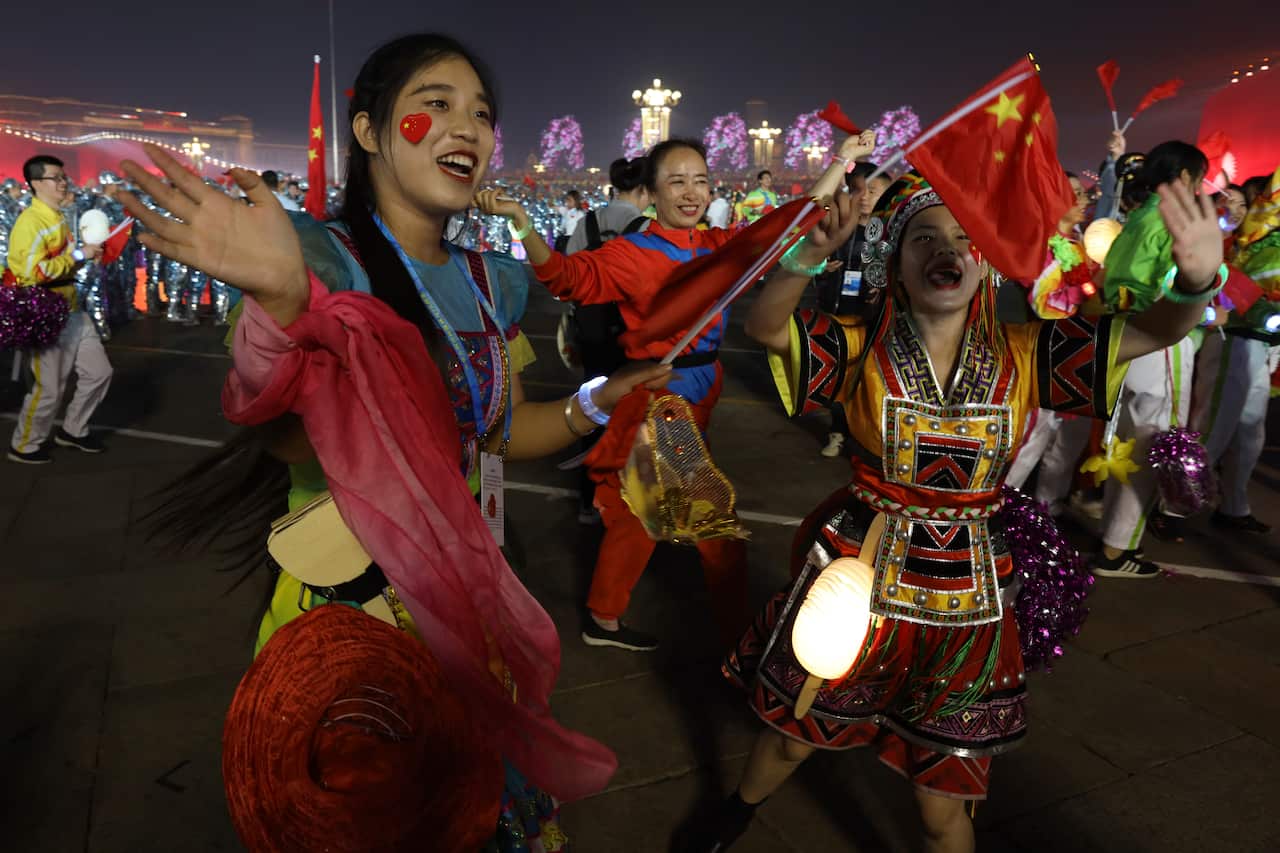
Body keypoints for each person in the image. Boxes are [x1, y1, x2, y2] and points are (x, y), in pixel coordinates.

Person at [122, 34, 670, 849]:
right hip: (359, 619)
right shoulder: (314, 259)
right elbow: (279, 438)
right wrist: (280, 305)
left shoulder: (494, 279)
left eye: (482, 115)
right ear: (371, 131)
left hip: (474, 613)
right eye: (437, 105)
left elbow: (501, 431)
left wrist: (599, 397)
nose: (469, 129)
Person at [679, 166, 1224, 852]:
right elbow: (765, 325)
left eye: (966, 239)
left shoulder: (1030, 353)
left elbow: (1153, 333)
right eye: (925, 238)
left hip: (969, 599)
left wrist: (1199, 282)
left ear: (987, 266)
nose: (949, 250)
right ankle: (735, 810)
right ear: (897, 267)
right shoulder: (859, 346)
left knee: (942, 806)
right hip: (861, 569)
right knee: (793, 734)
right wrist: (807, 255)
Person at [478, 132, 875, 652]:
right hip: (662, 403)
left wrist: (842, 159)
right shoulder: (632, 253)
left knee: (637, 514)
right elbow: (564, 276)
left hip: (700, 394)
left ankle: (603, 617)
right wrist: (523, 224)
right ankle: (743, 634)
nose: (691, 193)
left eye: (701, 181)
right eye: (676, 182)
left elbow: (791, 222)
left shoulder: (716, 245)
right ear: (652, 192)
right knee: (712, 522)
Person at [1095, 141, 1211, 576]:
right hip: (1160, 335)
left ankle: (1114, 539)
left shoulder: (1139, 216)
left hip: (1126, 336)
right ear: (1183, 177)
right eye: (1198, 177)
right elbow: (1181, 282)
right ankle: (1118, 547)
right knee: (1152, 443)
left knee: (1131, 442)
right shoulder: (1171, 219)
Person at [1191, 167, 1279, 534]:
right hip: (1233, 342)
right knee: (1213, 427)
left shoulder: (1267, 244)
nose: (1246, 210)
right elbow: (1236, 295)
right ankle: (1170, 504)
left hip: (1259, 346)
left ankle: (1234, 506)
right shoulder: (1239, 243)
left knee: (1249, 431)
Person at [564, 157, 652, 523]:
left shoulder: (586, 224)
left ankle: (589, 501)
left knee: (592, 410)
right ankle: (629, 502)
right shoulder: (648, 227)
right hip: (637, 339)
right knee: (636, 417)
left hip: (594, 332)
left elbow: (568, 277)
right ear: (645, 190)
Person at [6, 155, 111, 464]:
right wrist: (79, 253)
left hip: (72, 309)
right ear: (36, 183)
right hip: (46, 314)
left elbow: (62, 261)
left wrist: (85, 255)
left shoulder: (57, 216)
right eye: (55, 177)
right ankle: (25, 445)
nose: (63, 182)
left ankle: (73, 430)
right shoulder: (31, 222)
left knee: (99, 373)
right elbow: (30, 272)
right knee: (49, 388)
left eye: (63, 176)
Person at [813, 159, 892, 458]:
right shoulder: (839, 229)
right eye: (863, 190)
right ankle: (838, 433)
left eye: (875, 191)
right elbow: (810, 262)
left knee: (872, 381)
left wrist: (885, 288)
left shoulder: (890, 234)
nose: (867, 197)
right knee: (838, 378)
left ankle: (870, 439)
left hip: (874, 320)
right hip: (838, 313)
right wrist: (822, 268)